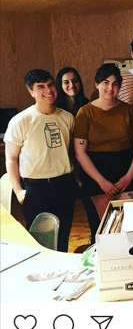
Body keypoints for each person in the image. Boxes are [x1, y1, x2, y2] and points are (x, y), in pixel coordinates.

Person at [4, 69, 77, 252]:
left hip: (64, 185)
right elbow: (11, 159)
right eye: (41, 87)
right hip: (36, 189)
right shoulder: (20, 121)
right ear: (31, 92)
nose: (48, 90)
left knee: (63, 237)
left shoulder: (67, 118)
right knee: (41, 242)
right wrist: (18, 190)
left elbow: (71, 152)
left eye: (51, 84)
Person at [74, 63, 133, 219]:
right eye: (106, 82)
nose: (110, 88)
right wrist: (101, 181)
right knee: (108, 225)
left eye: (115, 84)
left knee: (129, 221)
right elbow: (80, 152)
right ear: (96, 84)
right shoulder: (85, 112)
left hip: (127, 170)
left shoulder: (129, 111)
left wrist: (129, 176)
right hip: (97, 173)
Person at [54, 66, 99, 242]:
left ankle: (94, 244)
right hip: (63, 167)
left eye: (75, 81)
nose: (71, 85)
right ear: (60, 85)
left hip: (85, 164)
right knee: (64, 216)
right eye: (66, 82)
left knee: (92, 211)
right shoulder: (56, 110)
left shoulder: (87, 106)